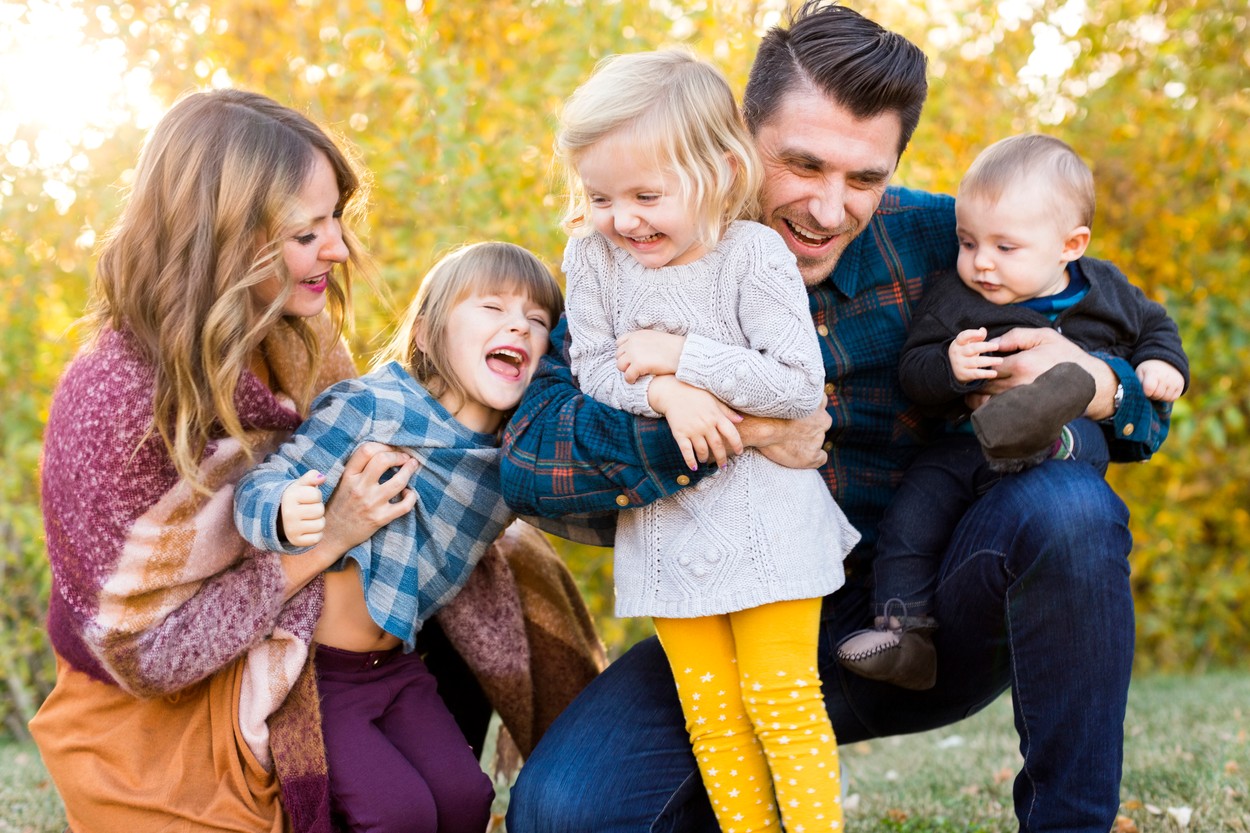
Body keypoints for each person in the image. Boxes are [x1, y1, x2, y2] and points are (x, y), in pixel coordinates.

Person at [500, 4, 1174, 832]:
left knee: (1069, 508)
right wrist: (729, 430)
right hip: (727, 607)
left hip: (917, 610)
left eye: (864, 178)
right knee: (564, 812)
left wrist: (1099, 383)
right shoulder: (647, 250)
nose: (828, 208)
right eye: (802, 164)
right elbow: (531, 455)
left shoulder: (952, 243)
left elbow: (1134, 368)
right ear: (739, 138)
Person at [30, 89, 421, 833]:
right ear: (226, 241)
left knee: (438, 564)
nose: (337, 248)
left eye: (336, 216)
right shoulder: (113, 400)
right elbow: (145, 655)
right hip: (145, 720)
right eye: (309, 230)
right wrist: (330, 539)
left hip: (283, 645)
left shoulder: (295, 338)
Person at [554, 49, 859, 831]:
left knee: (780, 699)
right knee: (714, 714)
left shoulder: (752, 253)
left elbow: (795, 382)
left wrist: (682, 353)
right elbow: (591, 368)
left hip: (770, 524)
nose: (623, 218)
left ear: (720, 170)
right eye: (600, 196)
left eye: (647, 195)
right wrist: (666, 392)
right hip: (664, 530)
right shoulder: (593, 258)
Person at [836, 133, 1188, 689]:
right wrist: (950, 366)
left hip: (1063, 451)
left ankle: (1048, 423)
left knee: (1074, 411)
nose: (981, 264)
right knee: (915, 503)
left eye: (1005, 248)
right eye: (967, 242)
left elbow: (1156, 327)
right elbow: (915, 371)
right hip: (966, 445)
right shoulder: (957, 297)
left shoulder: (1108, 290)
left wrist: (1163, 365)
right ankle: (904, 630)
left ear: (1070, 245)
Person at [233, 241, 564, 832]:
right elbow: (267, 480)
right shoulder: (374, 406)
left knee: (466, 798)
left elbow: (595, 507)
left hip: (397, 666)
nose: (519, 323)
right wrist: (286, 510)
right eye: (493, 307)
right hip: (319, 672)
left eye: (538, 321)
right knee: (397, 812)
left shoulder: (517, 462)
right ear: (433, 329)